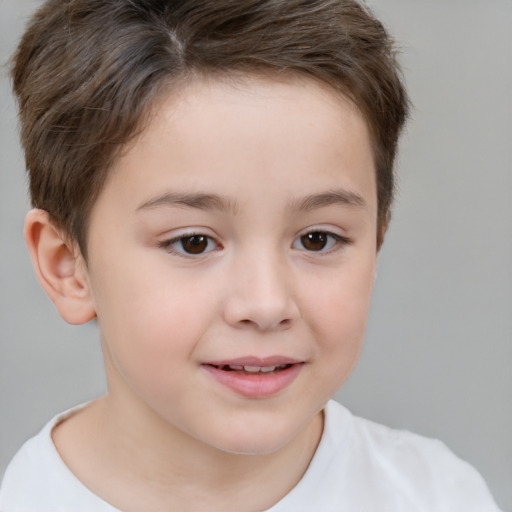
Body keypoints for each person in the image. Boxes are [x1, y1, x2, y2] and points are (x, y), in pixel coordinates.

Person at [0, 0, 502, 510]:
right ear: (68, 266)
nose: (265, 304)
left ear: (375, 244)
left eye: (317, 239)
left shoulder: (439, 496)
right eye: (193, 242)